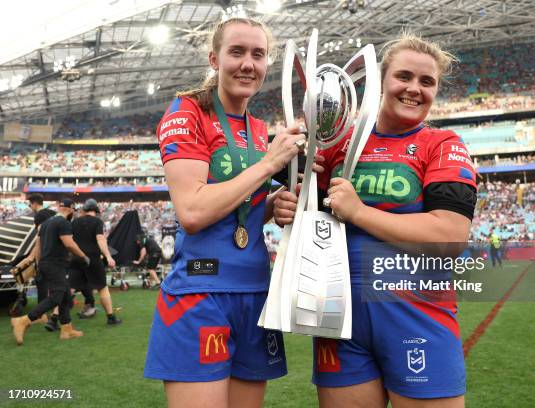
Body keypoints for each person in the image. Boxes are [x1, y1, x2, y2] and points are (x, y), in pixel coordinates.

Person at [274, 33, 477, 407]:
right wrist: (286, 207)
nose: (414, 89)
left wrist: (360, 212)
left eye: (427, 81)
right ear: (381, 82)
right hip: (340, 319)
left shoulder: (443, 145)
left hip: (417, 316)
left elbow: (449, 236)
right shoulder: (335, 142)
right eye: (404, 77)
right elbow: (311, 213)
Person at [143, 17, 305, 408]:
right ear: (215, 59)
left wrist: (271, 206)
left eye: (258, 54)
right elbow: (193, 211)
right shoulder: (187, 112)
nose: (248, 63)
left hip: (254, 291)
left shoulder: (256, 126)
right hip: (202, 294)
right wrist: (269, 165)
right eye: (237, 52)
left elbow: (238, 212)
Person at [11, 198, 89, 345]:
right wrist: (83, 256)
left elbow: (38, 246)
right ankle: (23, 321)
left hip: (46, 264)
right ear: (71, 209)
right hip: (56, 265)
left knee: (65, 296)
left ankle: (67, 329)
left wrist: (38, 264)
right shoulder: (64, 223)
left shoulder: (46, 223)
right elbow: (69, 243)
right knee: (56, 297)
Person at [70, 199, 122, 324]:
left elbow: (70, 241)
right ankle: (111, 318)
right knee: (103, 289)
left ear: (85, 210)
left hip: (76, 258)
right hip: (93, 258)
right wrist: (108, 256)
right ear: (95, 211)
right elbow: (101, 240)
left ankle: (55, 318)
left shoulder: (74, 222)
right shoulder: (97, 222)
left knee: (70, 289)